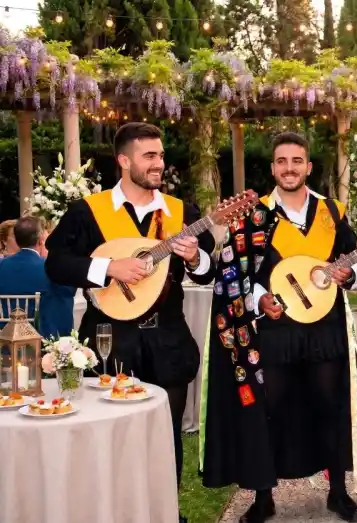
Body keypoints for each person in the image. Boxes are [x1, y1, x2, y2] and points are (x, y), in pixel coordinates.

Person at [44, 122, 216, 523]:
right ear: (124, 160)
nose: (159, 163)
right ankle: (110, 511)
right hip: (109, 335)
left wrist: (194, 258)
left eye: (160, 154)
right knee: (108, 428)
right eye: (149, 156)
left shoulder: (180, 212)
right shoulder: (90, 211)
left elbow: (209, 272)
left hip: (167, 335)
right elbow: (56, 264)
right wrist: (108, 267)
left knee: (166, 431)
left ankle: (166, 513)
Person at [202, 132, 357, 523]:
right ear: (274, 167)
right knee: (268, 410)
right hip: (275, 331)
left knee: (331, 407)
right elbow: (236, 273)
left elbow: (355, 259)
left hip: (325, 327)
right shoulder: (254, 214)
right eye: (282, 161)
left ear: (308, 167)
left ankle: (338, 492)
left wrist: (350, 273)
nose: (289, 168)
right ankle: (264, 496)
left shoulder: (333, 211)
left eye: (297, 161)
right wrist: (258, 299)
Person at [0, 217, 74, 337]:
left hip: (6, 335)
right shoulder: (50, 267)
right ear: (40, 241)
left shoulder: (1, 265)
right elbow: (68, 291)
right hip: (40, 335)